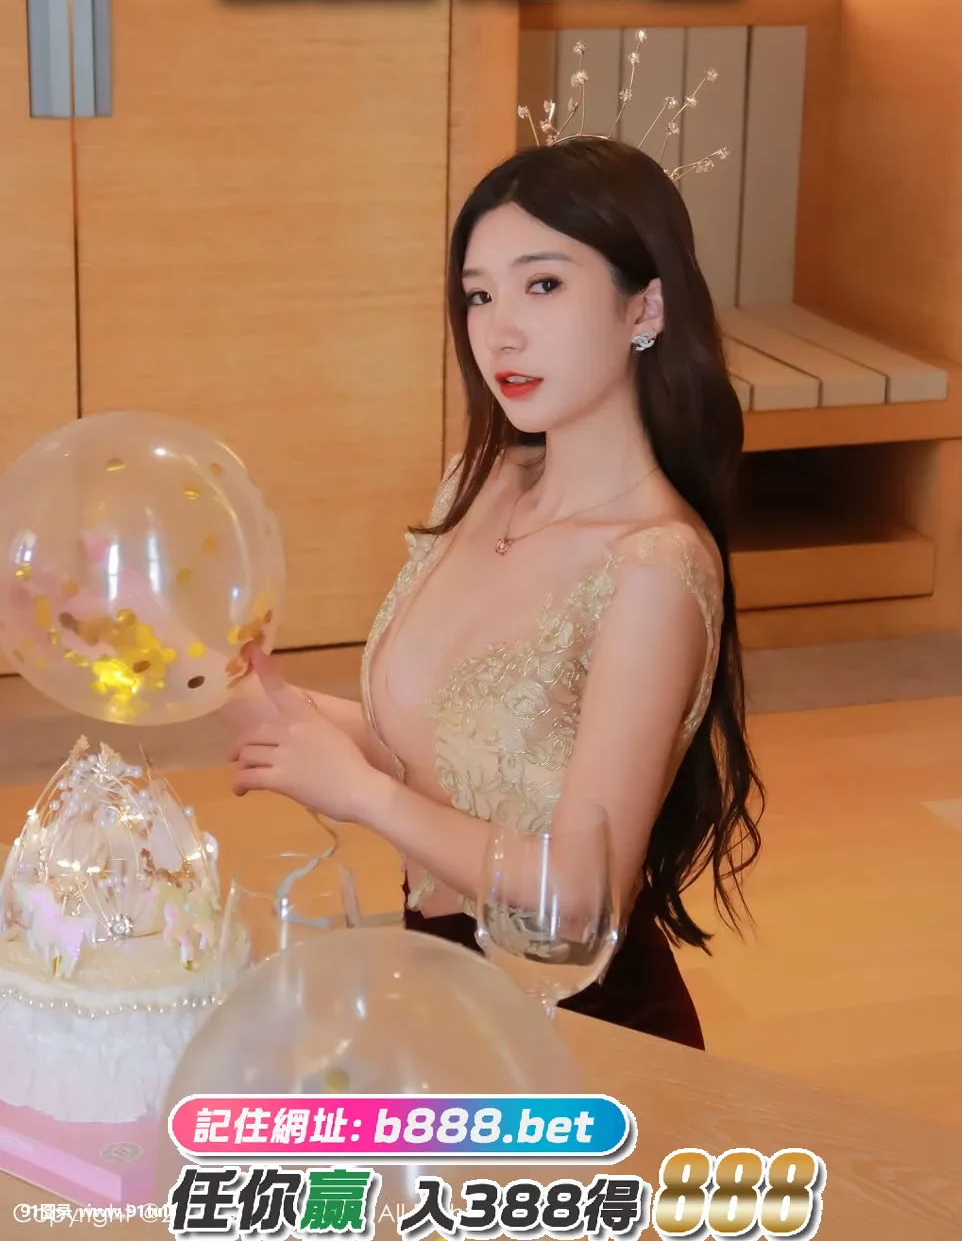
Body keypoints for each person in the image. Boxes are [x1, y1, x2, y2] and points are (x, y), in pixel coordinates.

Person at [225, 135, 765, 1047]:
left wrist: (362, 796)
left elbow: (581, 897)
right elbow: (437, 748)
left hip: (582, 1032)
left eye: (542, 285)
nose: (500, 332)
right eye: (479, 295)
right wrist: (218, 677)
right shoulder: (477, 487)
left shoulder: (655, 567)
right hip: (441, 995)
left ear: (644, 307)